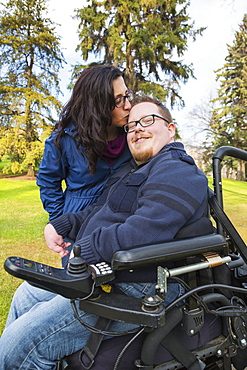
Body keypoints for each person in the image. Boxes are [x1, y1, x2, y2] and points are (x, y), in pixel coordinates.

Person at [0, 96, 209, 370]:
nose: (137, 129)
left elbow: (141, 233)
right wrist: (62, 224)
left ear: (171, 129)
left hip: (142, 283)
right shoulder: (130, 171)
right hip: (107, 273)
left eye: (148, 121)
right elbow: (96, 211)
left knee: (21, 345)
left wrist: (82, 253)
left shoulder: (177, 169)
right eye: (132, 124)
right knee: (26, 294)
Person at [36, 65, 133, 266]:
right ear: (96, 105)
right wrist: (60, 221)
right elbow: (48, 182)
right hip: (78, 229)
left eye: (127, 95)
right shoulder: (63, 140)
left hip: (121, 226)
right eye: (118, 100)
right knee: (80, 289)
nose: (128, 105)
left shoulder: (134, 135)